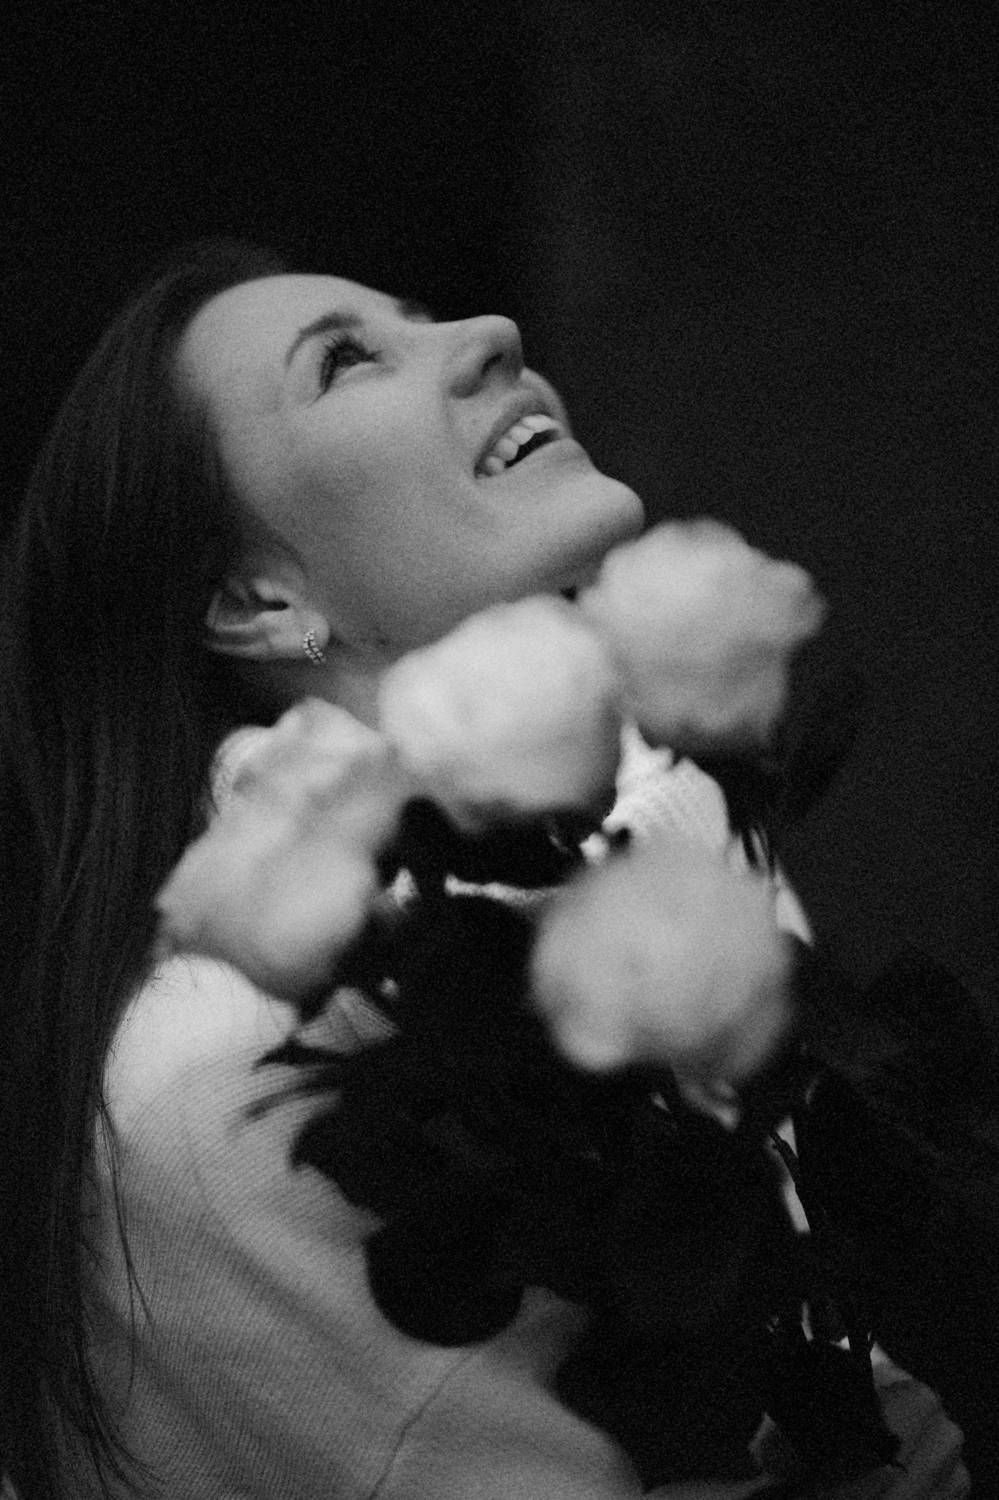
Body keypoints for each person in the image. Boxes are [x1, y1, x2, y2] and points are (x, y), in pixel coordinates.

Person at [0, 240, 971, 1500]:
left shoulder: (660, 845)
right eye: (347, 362)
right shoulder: (221, 1083)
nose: (494, 331)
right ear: (255, 601)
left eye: (420, 314)